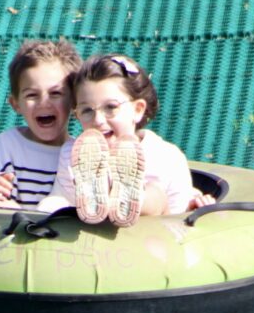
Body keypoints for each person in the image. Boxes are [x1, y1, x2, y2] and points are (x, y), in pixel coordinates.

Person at [38, 53, 214, 226]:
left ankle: (128, 197)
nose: (98, 120)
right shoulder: (74, 153)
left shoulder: (166, 157)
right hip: (91, 244)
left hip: (149, 240)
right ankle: (98, 198)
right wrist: (44, 211)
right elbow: (60, 198)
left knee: (155, 191)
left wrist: (196, 208)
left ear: (138, 110)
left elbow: (179, 222)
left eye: (111, 107)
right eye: (87, 110)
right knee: (53, 204)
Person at [0, 40, 82, 208]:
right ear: (16, 104)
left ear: (74, 101)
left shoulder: (80, 154)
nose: (44, 103)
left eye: (55, 93)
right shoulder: (6, 146)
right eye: (32, 95)